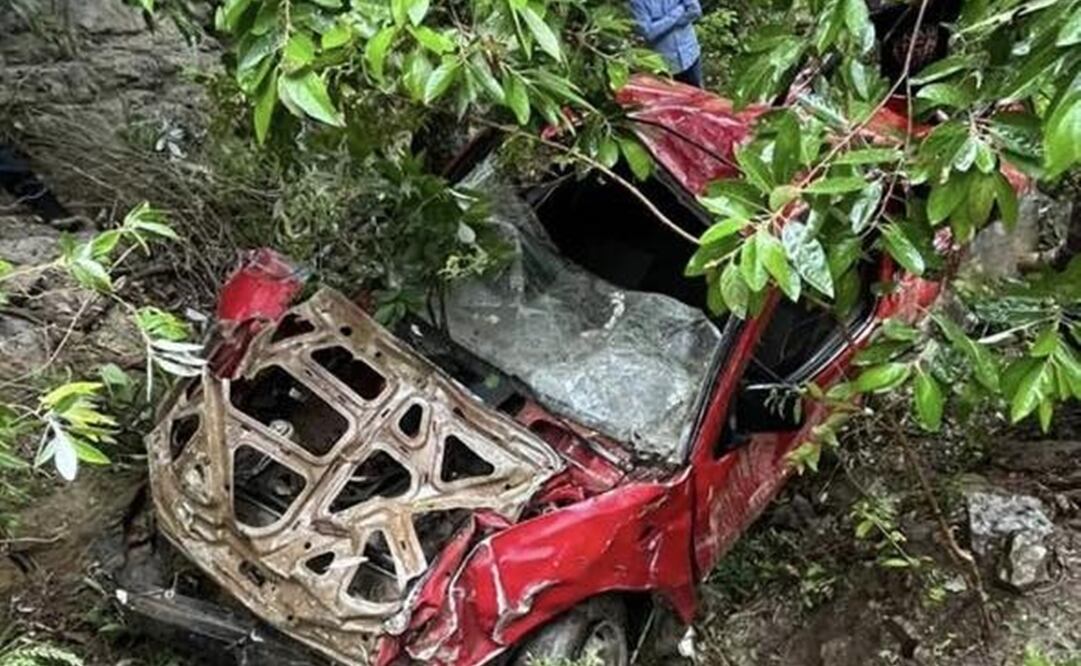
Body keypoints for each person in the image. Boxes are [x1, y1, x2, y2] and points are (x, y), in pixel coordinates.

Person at [628, 0, 704, 87]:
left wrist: (662, 25)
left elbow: (695, 11)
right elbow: (648, 34)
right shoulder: (638, 2)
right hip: (664, 66)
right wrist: (678, 12)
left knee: (699, 96)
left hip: (690, 55)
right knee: (670, 98)